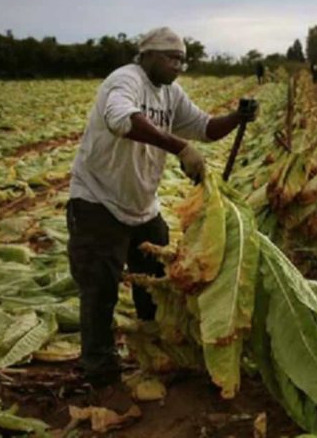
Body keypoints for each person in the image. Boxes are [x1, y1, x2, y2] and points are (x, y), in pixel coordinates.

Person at [66, 26, 258, 386]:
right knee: (100, 290)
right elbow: (123, 121)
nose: (178, 66)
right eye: (171, 58)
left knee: (157, 284)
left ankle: (155, 349)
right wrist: (180, 148)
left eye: (183, 60)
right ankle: (100, 371)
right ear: (148, 55)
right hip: (97, 201)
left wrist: (236, 117)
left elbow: (205, 127)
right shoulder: (125, 81)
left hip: (142, 207)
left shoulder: (171, 92)